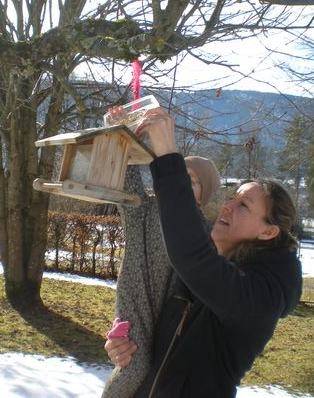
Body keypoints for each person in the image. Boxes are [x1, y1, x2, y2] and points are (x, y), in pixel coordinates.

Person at [105, 107, 302, 397]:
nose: (227, 206)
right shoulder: (211, 269)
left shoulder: (262, 296)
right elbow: (149, 308)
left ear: (268, 231)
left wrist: (167, 154)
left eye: (243, 205)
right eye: (231, 198)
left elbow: (191, 256)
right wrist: (122, 341)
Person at [101, 149, 220, 398]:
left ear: (203, 195)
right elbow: (128, 183)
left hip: (170, 317)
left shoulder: (201, 232)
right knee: (133, 367)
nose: (182, 184)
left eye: (192, 181)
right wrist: (126, 143)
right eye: (180, 176)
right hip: (136, 302)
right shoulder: (150, 206)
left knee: (153, 378)